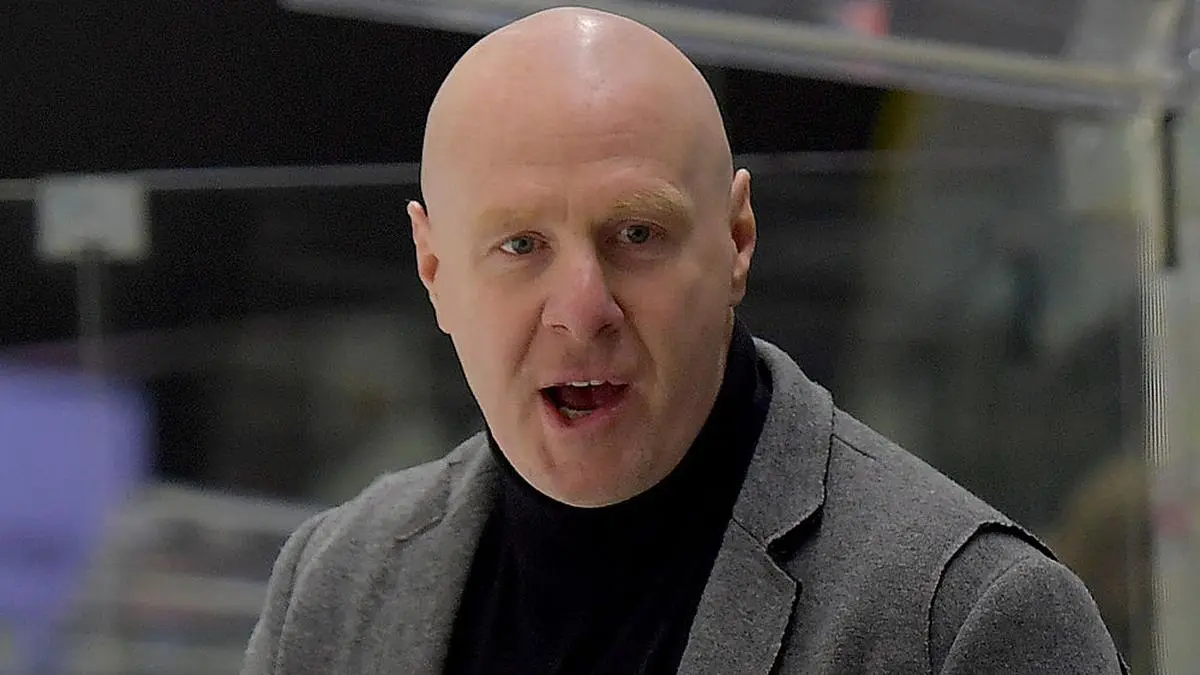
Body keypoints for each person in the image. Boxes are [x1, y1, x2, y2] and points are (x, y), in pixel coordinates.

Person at [241, 6, 1127, 674]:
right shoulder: (333, 585)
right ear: (433, 268)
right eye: (521, 246)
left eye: (637, 233)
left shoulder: (968, 619)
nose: (583, 309)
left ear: (738, 240)